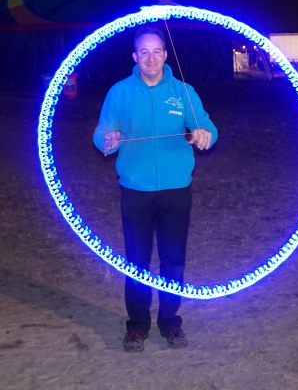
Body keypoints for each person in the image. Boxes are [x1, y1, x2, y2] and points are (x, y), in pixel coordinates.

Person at [92, 26, 218, 352]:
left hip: (176, 189)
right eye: (144, 52)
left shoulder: (183, 91)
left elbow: (206, 125)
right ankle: (136, 326)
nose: (151, 57)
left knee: (173, 261)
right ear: (135, 57)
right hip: (135, 189)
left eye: (157, 51)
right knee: (136, 262)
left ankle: (169, 323)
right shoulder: (120, 92)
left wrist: (205, 134)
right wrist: (108, 140)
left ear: (165, 54)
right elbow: (103, 132)